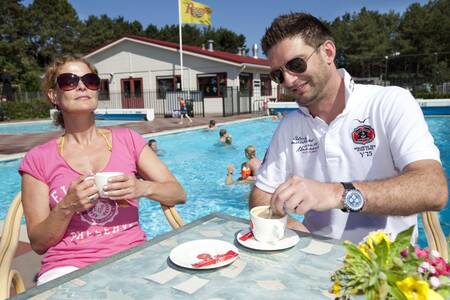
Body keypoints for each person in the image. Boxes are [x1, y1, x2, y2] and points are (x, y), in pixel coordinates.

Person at [250, 13, 448, 243]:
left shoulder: (389, 103)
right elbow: (260, 194)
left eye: (296, 64)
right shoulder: (289, 125)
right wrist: (295, 230)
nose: (289, 80)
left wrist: (337, 194)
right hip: (316, 262)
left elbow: (433, 188)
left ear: (328, 52)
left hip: (384, 267)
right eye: (278, 74)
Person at [19, 55, 186, 285]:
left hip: (133, 254)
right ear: (53, 95)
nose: (81, 86)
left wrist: (142, 187)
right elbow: (38, 243)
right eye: (69, 81)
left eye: (90, 80)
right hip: (68, 264)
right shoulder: (38, 159)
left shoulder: (128, 140)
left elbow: (178, 193)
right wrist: (67, 206)